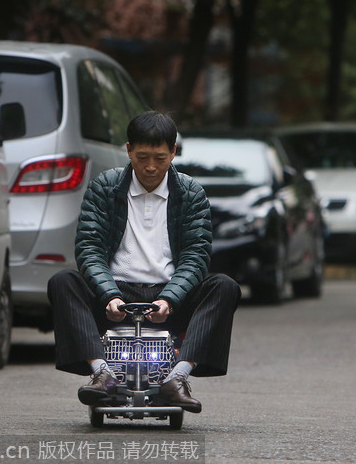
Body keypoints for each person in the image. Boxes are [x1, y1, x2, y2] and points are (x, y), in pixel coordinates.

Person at [47, 111, 241, 413]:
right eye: (142, 157)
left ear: (173, 152)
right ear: (128, 150)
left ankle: (177, 378)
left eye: (160, 158)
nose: (150, 167)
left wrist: (170, 299)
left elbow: (196, 256)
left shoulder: (191, 194)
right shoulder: (104, 188)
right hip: (114, 294)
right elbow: (89, 248)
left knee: (224, 286)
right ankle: (102, 373)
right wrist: (108, 294)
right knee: (63, 282)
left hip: (169, 295)